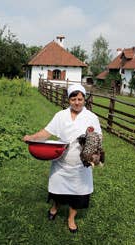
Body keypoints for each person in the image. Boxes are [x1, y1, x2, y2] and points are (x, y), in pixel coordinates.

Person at [23, 84, 102, 233]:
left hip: (80, 165)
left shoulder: (92, 117)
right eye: (73, 99)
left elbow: (98, 137)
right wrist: (32, 138)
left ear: (84, 99)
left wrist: (91, 147)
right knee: (58, 190)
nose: (77, 102)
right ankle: (55, 207)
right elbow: (47, 132)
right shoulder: (61, 115)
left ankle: (71, 218)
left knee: (79, 194)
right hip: (61, 161)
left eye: (80, 99)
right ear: (69, 99)